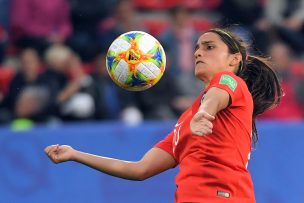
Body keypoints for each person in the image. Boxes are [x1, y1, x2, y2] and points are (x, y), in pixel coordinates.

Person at [45, 28, 282, 202]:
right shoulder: (186, 122)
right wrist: (75, 154)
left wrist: (204, 113)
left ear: (234, 59)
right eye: (197, 47)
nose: (199, 52)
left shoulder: (231, 84)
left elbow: (216, 97)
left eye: (209, 47)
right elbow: (139, 170)